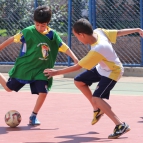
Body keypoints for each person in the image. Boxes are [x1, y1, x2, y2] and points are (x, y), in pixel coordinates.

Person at [44, 18, 143, 139]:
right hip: (102, 68)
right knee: (79, 81)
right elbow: (119, 32)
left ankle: (121, 125)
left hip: (113, 72)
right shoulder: (99, 32)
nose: (78, 39)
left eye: (77, 36)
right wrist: (137, 29)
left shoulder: (98, 48)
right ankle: (97, 108)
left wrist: (57, 72)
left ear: (82, 34)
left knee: (97, 98)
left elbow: (78, 66)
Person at [0, 5, 78, 125]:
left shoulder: (52, 35)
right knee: (8, 88)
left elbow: (63, 46)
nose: (39, 28)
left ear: (48, 23)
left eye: (43, 25)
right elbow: (11, 39)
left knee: (43, 92)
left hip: (42, 70)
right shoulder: (27, 32)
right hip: (25, 68)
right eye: (37, 24)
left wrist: (74, 58)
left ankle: (33, 116)